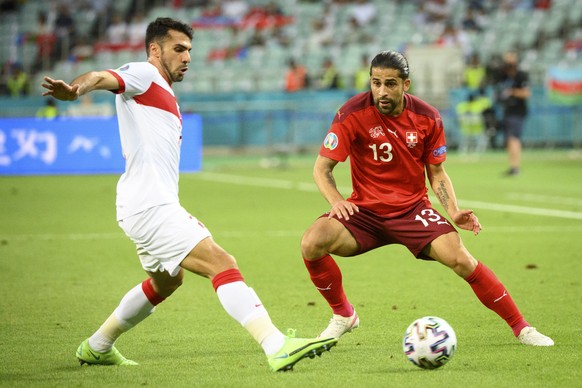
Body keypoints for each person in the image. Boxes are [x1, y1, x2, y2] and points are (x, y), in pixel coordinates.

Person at [41, 17, 336, 372]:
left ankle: (98, 345)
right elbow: (103, 77)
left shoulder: (161, 90)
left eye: (189, 50)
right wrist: (75, 91)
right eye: (179, 49)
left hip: (142, 204)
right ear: (155, 50)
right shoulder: (143, 73)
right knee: (221, 263)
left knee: (167, 281)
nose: (187, 57)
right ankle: (276, 345)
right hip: (150, 206)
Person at [300, 50, 553, 347]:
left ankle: (522, 327)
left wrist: (454, 210)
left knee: (462, 260)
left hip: (412, 210)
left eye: (390, 83)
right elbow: (322, 168)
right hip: (365, 211)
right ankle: (344, 316)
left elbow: (437, 172)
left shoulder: (427, 117)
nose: (382, 91)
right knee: (312, 242)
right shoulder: (351, 113)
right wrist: (336, 201)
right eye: (376, 82)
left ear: (406, 84)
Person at [496, 51, 529, 176]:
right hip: (507, 111)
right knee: (508, 140)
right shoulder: (504, 76)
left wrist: (512, 92)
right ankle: (512, 166)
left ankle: (515, 167)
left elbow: (526, 93)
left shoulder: (521, 76)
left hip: (517, 112)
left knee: (514, 139)